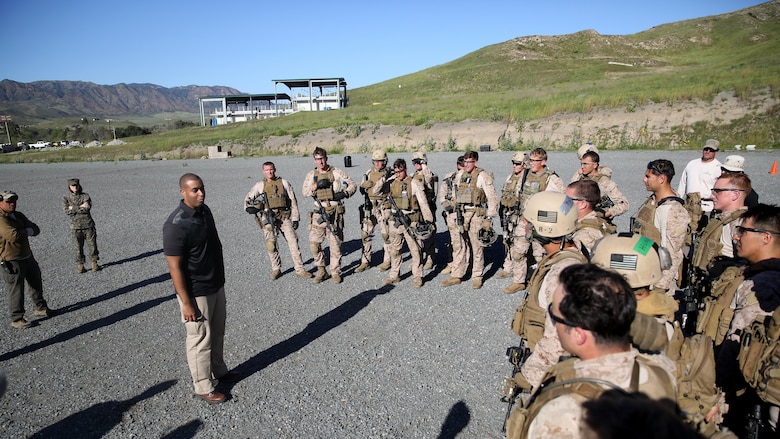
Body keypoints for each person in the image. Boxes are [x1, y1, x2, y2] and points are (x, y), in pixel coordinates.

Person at [506, 263, 678, 439]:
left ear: (579, 335)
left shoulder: (563, 415)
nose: (554, 324)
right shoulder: (662, 369)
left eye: (554, 316)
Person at [163, 174, 230, 404]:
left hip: (215, 284)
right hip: (196, 291)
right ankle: (203, 385)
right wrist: (187, 302)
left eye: (202, 188)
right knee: (200, 338)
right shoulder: (176, 224)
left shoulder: (205, 211)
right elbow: (174, 267)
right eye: (194, 190)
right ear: (183, 192)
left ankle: (218, 370)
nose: (201, 193)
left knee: (217, 330)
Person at [510, 191, 586, 389]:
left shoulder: (561, 274)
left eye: (528, 221)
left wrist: (528, 377)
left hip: (553, 376)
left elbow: (559, 339)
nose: (524, 225)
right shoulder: (569, 252)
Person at [715, 204, 780, 437]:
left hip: (748, 394)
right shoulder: (755, 274)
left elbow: (739, 346)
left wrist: (719, 399)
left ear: (766, 238)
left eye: (743, 231)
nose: (736, 236)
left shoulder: (761, 285)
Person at [501, 147, 566, 295]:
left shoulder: (551, 178)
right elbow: (519, 194)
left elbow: (565, 201)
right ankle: (518, 281)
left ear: (543, 162)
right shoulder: (526, 175)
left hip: (541, 224)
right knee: (518, 252)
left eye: (534, 161)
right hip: (524, 221)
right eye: (530, 160)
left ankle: (541, 283)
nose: (531, 163)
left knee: (540, 256)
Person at [440, 150, 499, 289]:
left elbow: (492, 198)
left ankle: (477, 276)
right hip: (461, 214)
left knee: (477, 246)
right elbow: (455, 193)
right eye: (465, 161)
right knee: (459, 244)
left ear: (475, 162)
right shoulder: (460, 174)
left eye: (469, 162)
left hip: (476, 215)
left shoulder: (482, 176)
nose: (466, 164)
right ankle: (457, 274)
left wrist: (489, 218)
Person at [244, 162, 311, 280]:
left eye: (271, 169)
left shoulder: (284, 183)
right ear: (263, 171)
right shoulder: (260, 185)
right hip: (268, 218)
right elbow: (248, 198)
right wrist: (249, 208)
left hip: (284, 217)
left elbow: (293, 200)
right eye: (267, 170)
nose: (269, 172)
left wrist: (295, 218)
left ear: (274, 169)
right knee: (271, 244)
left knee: (293, 242)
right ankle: (276, 269)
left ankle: (300, 269)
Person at [373, 158, 434, 287]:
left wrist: (429, 221)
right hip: (395, 222)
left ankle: (418, 276)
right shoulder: (391, 182)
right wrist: (384, 178)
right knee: (395, 250)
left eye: (400, 171)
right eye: (396, 171)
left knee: (416, 250)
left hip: (411, 221)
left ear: (405, 169)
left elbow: (423, 203)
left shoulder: (414, 183)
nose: (398, 174)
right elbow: (375, 192)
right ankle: (394, 275)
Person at [632, 159, 689, 296]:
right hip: (644, 272)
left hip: (657, 279)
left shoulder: (672, 210)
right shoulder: (654, 201)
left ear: (662, 178)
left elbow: (673, 254)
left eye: (648, 176)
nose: (644, 179)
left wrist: (660, 289)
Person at [301, 147, 357, 284]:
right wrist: (314, 186)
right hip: (319, 211)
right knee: (314, 244)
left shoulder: (336, 172)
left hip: (335, 212)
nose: (320, 162)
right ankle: (321, 270)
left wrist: (344, 193)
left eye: (322, 158)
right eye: (317, 159)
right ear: (314, 160)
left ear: (326, 158)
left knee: (335, 245)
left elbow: (353, 185)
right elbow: (304, 192)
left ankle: (335, 271)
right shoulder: (311, 175)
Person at [0, 190, 51, 329]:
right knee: (16, 289)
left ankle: (40, 307)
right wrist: (26, 230)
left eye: (14, 201)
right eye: (9, 201)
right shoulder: (1, 218)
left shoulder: (18, 215)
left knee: (36, 281)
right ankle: (17, 318)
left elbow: (36, 229)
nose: (12, 204)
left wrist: (25, 230)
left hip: (27, 256)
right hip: (11, 259)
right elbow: (12, 235)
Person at [357, 150, 392, 273]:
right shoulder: (368, 173)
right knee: (365, 234)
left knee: (386, 235)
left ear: (385, 162)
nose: (377, 164)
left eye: (380, 161)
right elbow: (362, 190)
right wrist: (363, 187)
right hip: (370, 207)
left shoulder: (390, 174)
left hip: (383, 207)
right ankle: (365, 261)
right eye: (375, 161)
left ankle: (387, 260)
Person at [497, 151, 529, 280]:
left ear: (524, 165)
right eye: (513, 163)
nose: (514, 166)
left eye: (517, 163)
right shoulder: (510, 178)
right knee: (508, 241)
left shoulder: (527, 179)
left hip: (521, 217)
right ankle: (508, 268)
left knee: (521, 245)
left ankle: (520, 273)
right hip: (508, 214)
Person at [571, 150, 630, 220]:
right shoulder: (580, 177)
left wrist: (606, 213)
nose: (582, 167)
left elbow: (624, 204)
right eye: (581, 164)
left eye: (585, 164)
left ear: (595, 165)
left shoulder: (604, 182)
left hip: (597, 222)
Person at [566, 179, 615, 254]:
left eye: (568, 200)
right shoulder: (599, 220)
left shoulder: (582, 235)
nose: (564, 203)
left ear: (583, 204)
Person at [62, 178, 100, 273]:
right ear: (69, 187)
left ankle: (94, 264)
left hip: (88, 225)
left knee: (92, 246)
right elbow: (67, 211)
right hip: (75, 227)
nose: (75, 187)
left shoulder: (85, 196)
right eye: (73, 186)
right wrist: (80, 207)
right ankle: (80, 266)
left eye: (76, 185)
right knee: (78, 247)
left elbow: (87, 208)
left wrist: (73, 208)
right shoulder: (66, 198)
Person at [677, 139, 722, 216]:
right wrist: (678, 201)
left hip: (707, 208)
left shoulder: (719, 167)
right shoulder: (691, 164)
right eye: (706, 149)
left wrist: (707, 195)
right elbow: (682, 184)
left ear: (716, 151)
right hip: (688, 206)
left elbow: (720, 190)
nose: (707, 151)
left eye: (711, 150)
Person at [438, 155, 465, 275]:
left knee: (467, 241)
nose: (461, 172)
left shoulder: (471, 179)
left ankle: (467, 265)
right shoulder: (450, 178)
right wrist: (448, 205)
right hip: (452, 215)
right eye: (460, 169)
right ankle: (452, 264)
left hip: (467, 214)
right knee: (453, 241)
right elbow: (442, 195)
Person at [411, 151, 438, 269]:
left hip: (428, 208)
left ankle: (430, 258)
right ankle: (419, 259)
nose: (416, 164)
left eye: (418, 162)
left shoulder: (429, 174)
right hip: (417, 208)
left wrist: (424, 166)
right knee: (417, 233)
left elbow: (428, 181)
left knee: (429, 234)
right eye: (414, 162)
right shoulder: (413, 175)